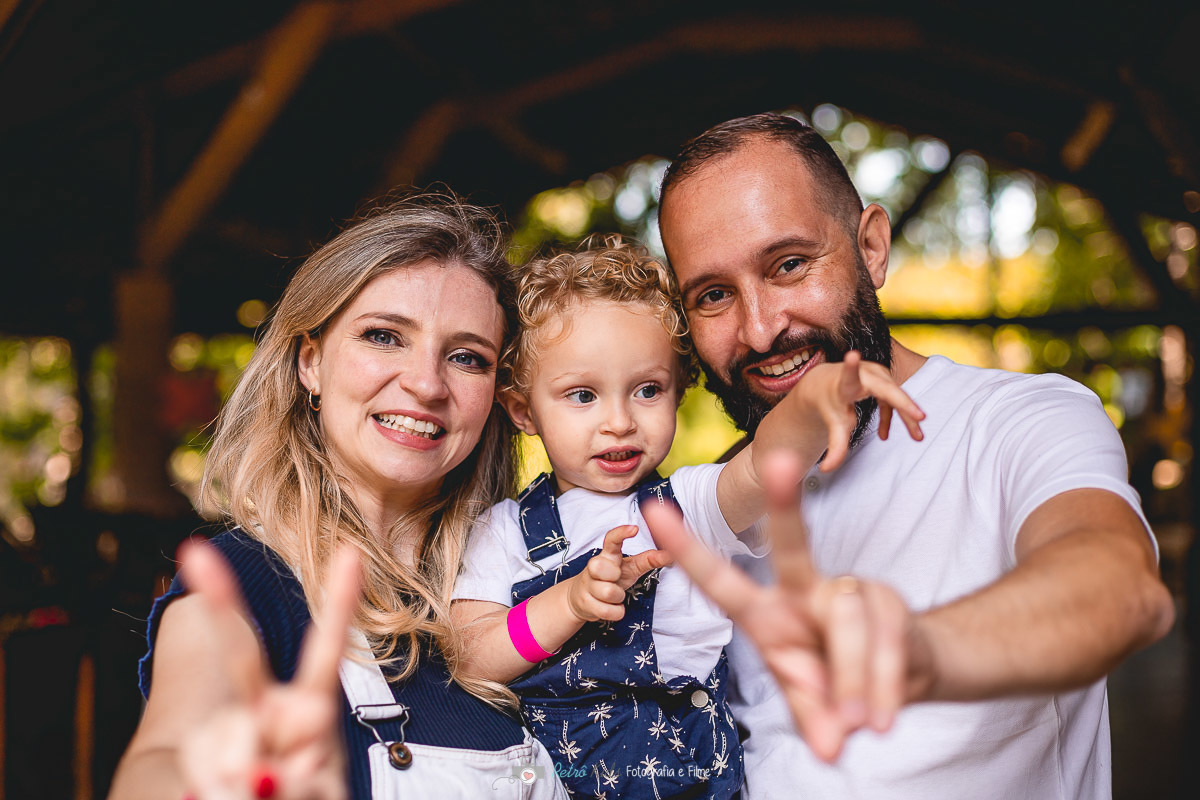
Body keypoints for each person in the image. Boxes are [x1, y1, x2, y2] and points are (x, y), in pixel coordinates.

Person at [643, 113, 1176, 800]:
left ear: (871, 248)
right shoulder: (715, 507)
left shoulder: (1018, 420)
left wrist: (916, 651)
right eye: (713, 295)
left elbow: (1118, 590)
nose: (760, 327)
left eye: (790, 265)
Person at [108, 193, 567, 799]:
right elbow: (166, 755)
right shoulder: (246, 585)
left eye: (466, 358)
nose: (427, 383)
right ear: (310, 363)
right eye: (383, 336)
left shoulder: (539, 591)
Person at [449, 237, 924, 799]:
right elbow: (470, 656)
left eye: (648, 390)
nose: (620, 421)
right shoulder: (505, 528)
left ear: (679, 393)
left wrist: (813, 398)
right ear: (524, 410)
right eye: (583, 396)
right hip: (562, 782)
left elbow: (763, 464)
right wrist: (570, 603)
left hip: (693, 777)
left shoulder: (689, 504)